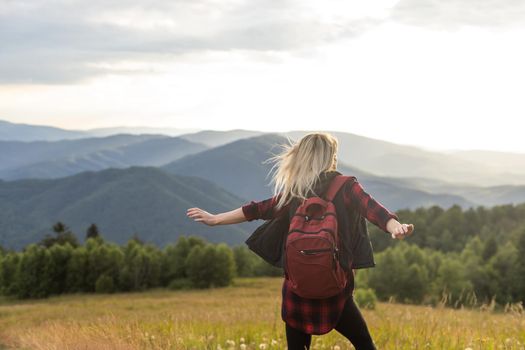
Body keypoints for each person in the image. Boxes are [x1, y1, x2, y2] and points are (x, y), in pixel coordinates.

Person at [187, 132, 414, 350]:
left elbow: (258, 209)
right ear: (329, 156)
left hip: (297, 290)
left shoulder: (296, 191)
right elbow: (372, 209)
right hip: (336, 290)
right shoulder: (345, 186)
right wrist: (395, 227)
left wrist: (216, 219)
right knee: (364, 345)